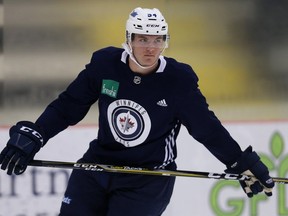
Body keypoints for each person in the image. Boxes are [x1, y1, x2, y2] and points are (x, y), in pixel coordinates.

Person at [0, 7, 274, 216]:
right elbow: (69, 105)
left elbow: (206, 129)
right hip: (97, 166)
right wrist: (37, 133)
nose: (151, 48)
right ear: (128, 39)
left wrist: (239, 161)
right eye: (143, 39)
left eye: (158, 40)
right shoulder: (104, 65)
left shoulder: (177, 80)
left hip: (148, 178)